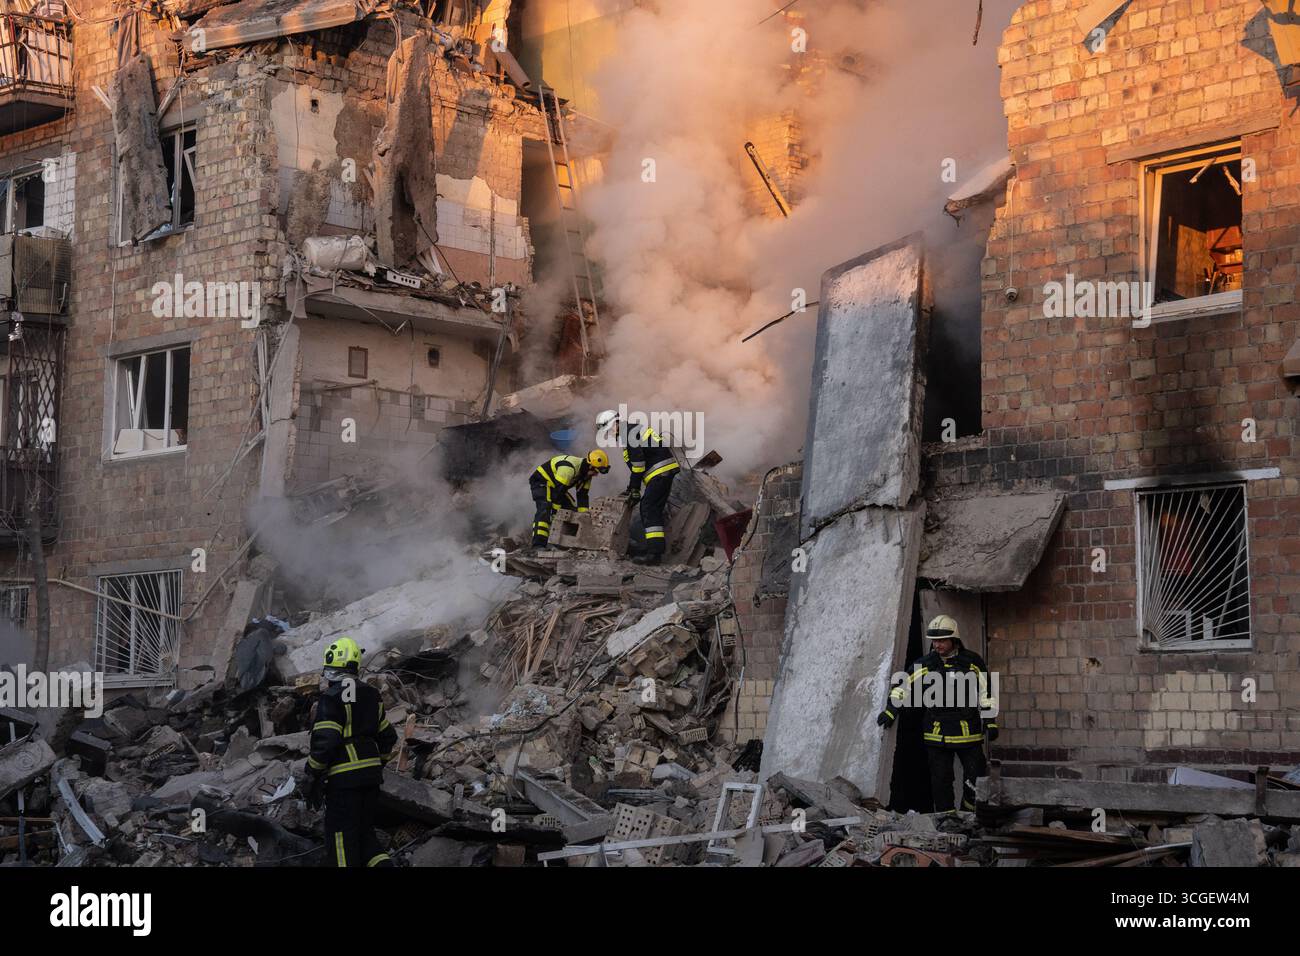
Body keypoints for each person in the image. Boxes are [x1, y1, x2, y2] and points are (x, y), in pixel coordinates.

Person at [876, 615, 998, 812]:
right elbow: (903, 686)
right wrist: (891, 711)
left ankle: (969, 815)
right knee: (941, 781)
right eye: (934, 640)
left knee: (976, 778)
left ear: (954, 640)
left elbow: (987, 691)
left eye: (942, 640)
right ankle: (946, 821)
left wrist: (990, 721)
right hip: (937, 733)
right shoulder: (926, 663)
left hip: (969, 732)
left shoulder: (972, 662)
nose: (937, 645)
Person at [304, 637, 398, 867]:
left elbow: (325, 741)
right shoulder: (371, 695)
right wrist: (378, 764)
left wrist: (311, 774)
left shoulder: (331, 697)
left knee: (341, 841)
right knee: (365, 836)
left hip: (344, 782)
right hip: (370, 779)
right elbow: (388, 736)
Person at [595, 408, 679, 565]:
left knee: (648, 508)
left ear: (615, 423)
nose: (610, 434)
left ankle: (654, 555)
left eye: (609, 430)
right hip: (663, 471)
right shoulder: (632, 429)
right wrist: (632, 488)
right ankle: (654, 550)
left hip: (659, 472)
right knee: (652, 509)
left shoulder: (629, 432)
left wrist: (633, 488)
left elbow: (638, 464)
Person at [528, 450, 610, 547]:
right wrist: (555, 513)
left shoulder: (586, 476)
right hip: (542, 482)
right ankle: (538, 545)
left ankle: (563, 543)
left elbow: (582, 496)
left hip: (557, 487)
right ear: (590, 466)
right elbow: (557, 494)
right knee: (546, 508)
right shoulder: (568, 469)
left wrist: (584, 518)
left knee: (570, 510)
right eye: (595, 471)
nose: (596, 475)